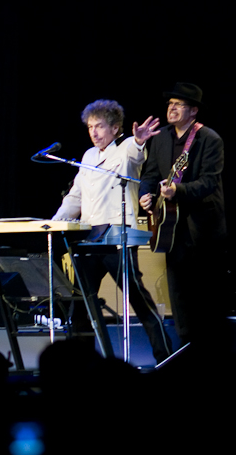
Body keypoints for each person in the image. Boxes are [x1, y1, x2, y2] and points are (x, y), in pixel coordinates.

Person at [52, 99, 172, 363]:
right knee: (82, 304)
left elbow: (136, 155)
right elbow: (75, 198)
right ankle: (82, 363)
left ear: (116, 128)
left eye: (100, 126)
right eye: (90, 127)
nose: (94, 132)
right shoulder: (88, 156)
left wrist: (140, 141)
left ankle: (165, 356)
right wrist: (54, 223)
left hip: (118, 237)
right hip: (91, 239)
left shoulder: (126, 147)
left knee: (138, 300)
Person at [139, 83, 227, 348]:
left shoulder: (209, 139)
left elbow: (209, 182)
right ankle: (186, 346)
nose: (172, 108)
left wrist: (178, 189)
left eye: (178, 104)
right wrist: (147, 196)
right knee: (178, 293)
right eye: (170, 104)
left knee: (206, 294)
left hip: (203, 228)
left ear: (194, 111)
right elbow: (151, 174)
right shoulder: (162, 137)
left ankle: (211, 347)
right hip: (171, 228)